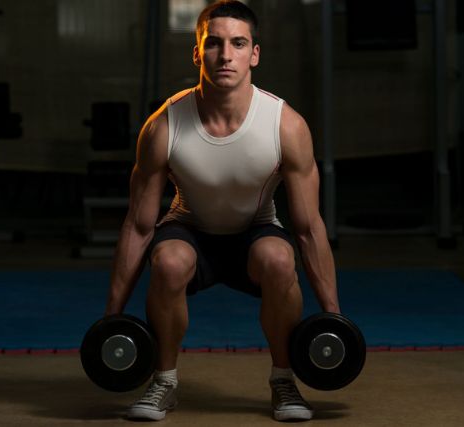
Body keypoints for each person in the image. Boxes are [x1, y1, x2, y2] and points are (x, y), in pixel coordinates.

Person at [104, 0, 340, 421]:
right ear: (197, 52)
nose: (225, 55)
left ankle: (284, 381)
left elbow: (307, 229)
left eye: (238, 43)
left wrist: (336, 320)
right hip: (188, 228)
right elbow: (138, 227)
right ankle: (164, 381)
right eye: (213, 43)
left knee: (280, 257)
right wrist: (112, 319)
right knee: (170, 262)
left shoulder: (286, 125)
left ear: (255, 54)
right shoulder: (164, 125)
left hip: (256, 230)